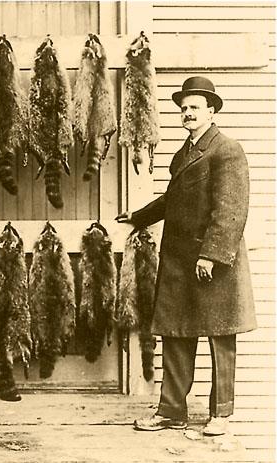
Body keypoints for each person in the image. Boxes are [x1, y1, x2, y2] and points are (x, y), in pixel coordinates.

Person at [117, 76, 256, 436]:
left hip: (212, 263)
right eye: (183, 108)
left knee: (220, 337)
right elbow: (172, 200)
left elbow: (231, 210)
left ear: (211, 111)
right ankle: (171, 411)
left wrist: (210, 256)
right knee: (176, 334)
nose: (187, 113)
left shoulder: (226, 150)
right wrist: (138, 217)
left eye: (195, 107)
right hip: (179, 262)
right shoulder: (184, 153)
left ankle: (221, 415)